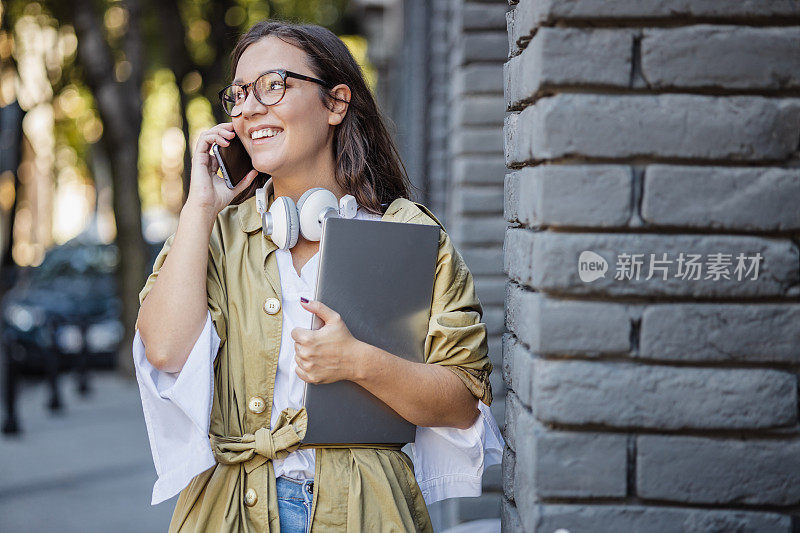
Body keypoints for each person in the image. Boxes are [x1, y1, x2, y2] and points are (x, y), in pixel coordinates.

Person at [133, 20, 502, 533]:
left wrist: (358, 362)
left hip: (365, 513)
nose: (250, 108)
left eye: (273, 85)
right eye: (239, 94)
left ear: (335, 103)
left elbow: (462, 403)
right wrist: (200, 208)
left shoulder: (408, 235)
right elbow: (166, 352)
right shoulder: (212, 235)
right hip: (229, 513)